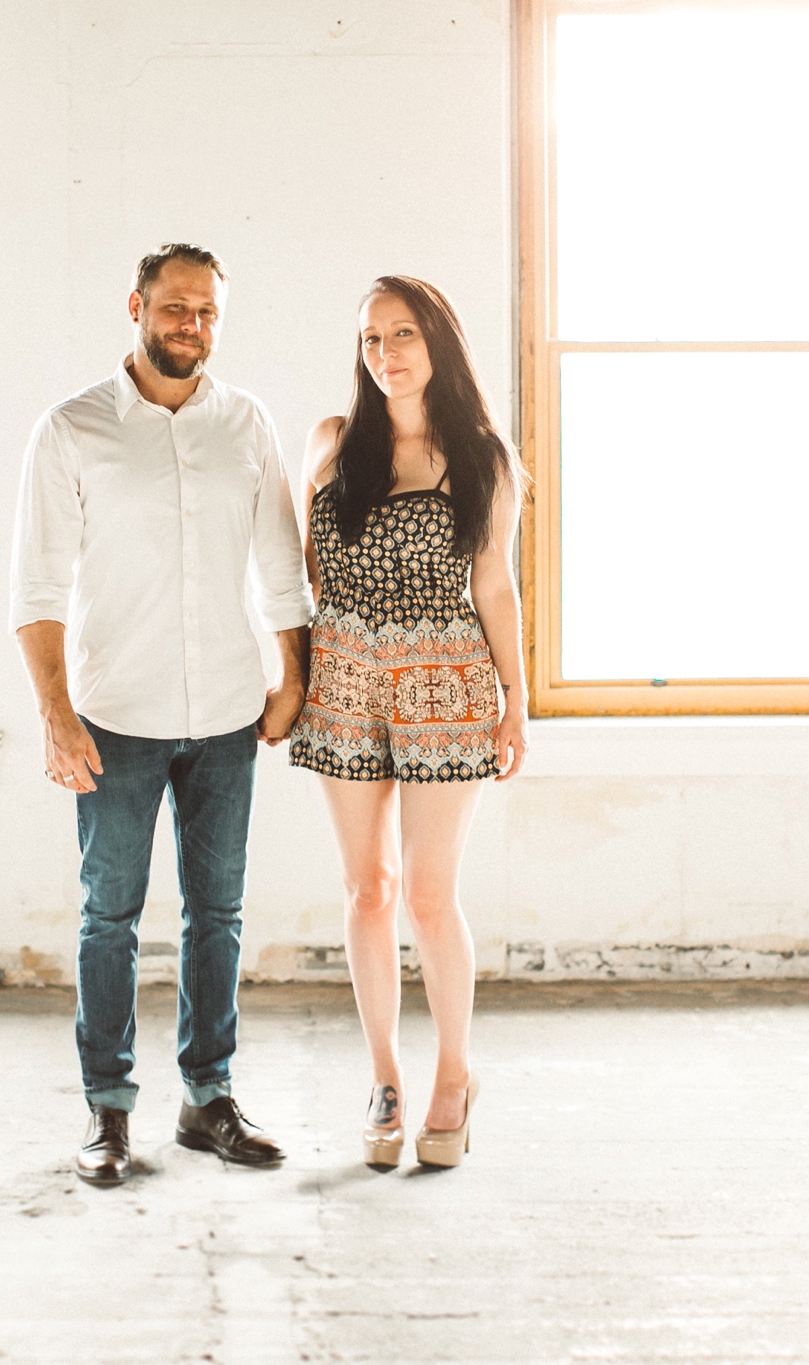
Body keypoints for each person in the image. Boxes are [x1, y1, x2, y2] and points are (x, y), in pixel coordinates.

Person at [10, 244, 312, 1186]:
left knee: (216, 915)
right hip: (115, 715)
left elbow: (280, 563)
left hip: (226, 711)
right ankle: (108, 1113)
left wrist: (291, 675)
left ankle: (207, 1098)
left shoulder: (245, 423)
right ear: (137, 306)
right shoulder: (72, 429)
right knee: (111, 917)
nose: (193, 328)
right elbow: (36, 584)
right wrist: (56, 715)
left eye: (209, 314)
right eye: (177, 309)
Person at [287, 276, 528, 1170]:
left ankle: (454, 1077)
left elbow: (495, 586)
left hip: (448, 685)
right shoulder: (330, 442)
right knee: (368, 891)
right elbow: (296, 573)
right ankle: (385, 1075)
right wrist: (289, 676)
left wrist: (518, 703)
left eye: (402, 335)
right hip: (345, 679)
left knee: (429, 896)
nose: (385, 354)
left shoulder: (482, 456)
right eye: (370, 338)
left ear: (438, 343)